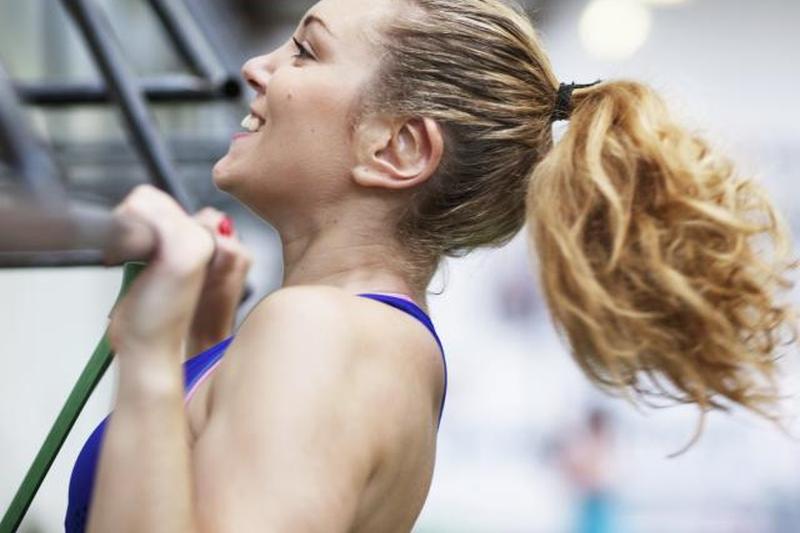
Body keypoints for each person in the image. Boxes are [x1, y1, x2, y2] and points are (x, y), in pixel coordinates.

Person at [65, 0, 797, 530]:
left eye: (305, 52)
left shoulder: (321, 333)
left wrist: (150, 351)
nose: (257, 68)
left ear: (399, 149)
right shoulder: (363, 337)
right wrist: (202, 345)